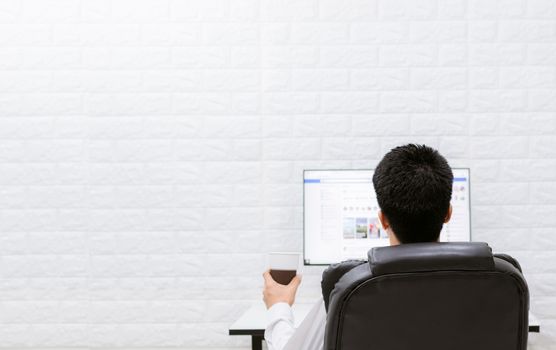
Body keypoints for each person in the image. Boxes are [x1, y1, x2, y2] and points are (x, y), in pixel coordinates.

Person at [262, 144, 454, 350]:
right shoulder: (489, 282)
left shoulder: (350, 287)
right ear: (448, 214)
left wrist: (279, 306)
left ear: (383, 220)